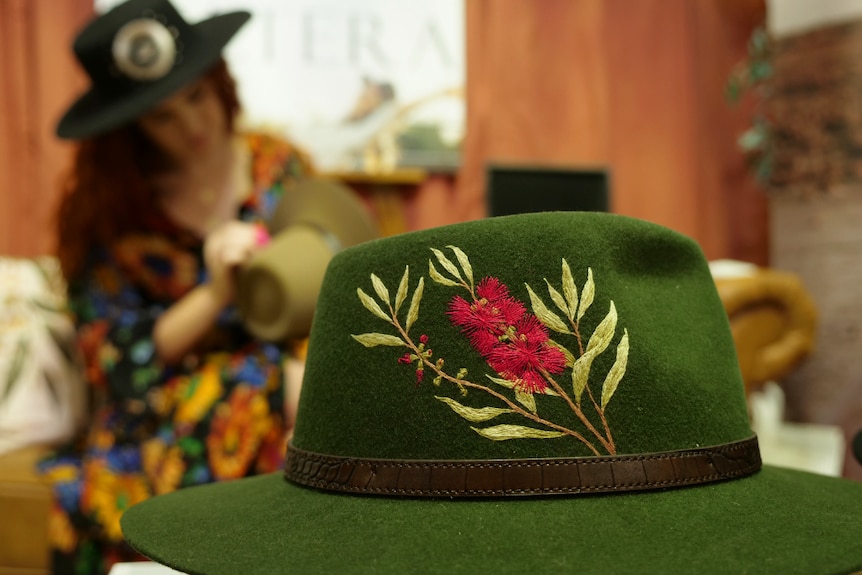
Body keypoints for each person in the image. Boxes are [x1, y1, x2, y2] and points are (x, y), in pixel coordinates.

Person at [38, 1, 317, 573]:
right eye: (163, 116)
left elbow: (334, 280)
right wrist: (215, 293)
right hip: (163, 407)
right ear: (131, 127)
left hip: (292, 375)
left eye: (196, 99)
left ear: (220, 84)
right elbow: (116, 361)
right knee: (266, 387)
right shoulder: (110, 214)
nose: (191, 126)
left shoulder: (280, 171)